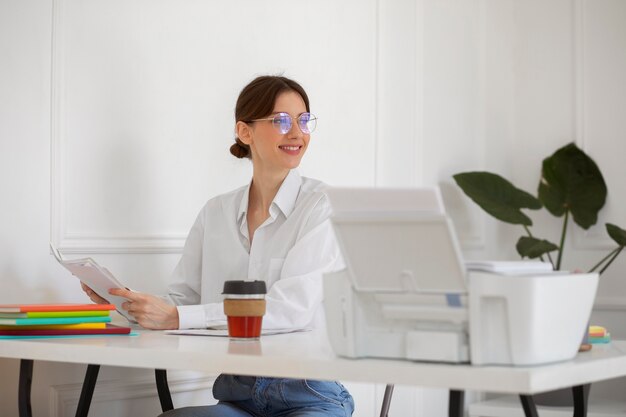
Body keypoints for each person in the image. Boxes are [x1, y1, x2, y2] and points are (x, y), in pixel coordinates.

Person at [81, 75, 355, 417]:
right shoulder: (215, 213)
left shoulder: (323, 206)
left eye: (303, 120)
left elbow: (292, 309)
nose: (297, 133)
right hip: (238, 396)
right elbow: (182, 302)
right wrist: (126, 301)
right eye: (281, 121)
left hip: (310, 393)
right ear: (245, 132)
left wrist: (175, 316)